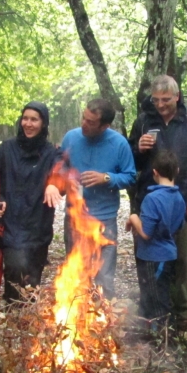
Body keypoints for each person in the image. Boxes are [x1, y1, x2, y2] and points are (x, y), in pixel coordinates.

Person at [128, 75, 187, 330]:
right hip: (151, 203)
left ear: (177, 96)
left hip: (183, 203)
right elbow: (132, 164)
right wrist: (138, 149)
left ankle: (184, 316)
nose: (161, 105)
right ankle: (151, 314)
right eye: (156, 100)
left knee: (183, 261)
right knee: (149, 258)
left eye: (166, 100)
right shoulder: (144, 120)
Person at [61, 99, 136, 299]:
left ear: (105, 126)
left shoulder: (119, 143)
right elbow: (60, 168)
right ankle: (77, 320)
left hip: (105, 219)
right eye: (83, 118)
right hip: (75, 217)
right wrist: (66, 180)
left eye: (91, 122)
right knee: (77, 272)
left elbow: (130, 176)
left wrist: (106, 178)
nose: (84, 124)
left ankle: (103, 320)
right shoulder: (71, 137)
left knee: (104, 276)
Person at [0, 102, 63, 302]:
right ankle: (11, 314)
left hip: (38, 223)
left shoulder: (51, 152)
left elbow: (63, 170)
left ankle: (29, 321)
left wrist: (53, 183)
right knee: (15, 269)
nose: (28, 124)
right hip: (11, 222)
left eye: (34, 119)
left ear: (43, 123)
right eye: (25, 118)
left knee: (33, 274)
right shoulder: (6, 149)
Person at [126, 151, 186, 333]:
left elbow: (145, 233)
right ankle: (148, 333)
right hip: (168, 252)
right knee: (153, 295)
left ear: (154, 173)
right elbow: (179, 225)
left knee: (157, 298)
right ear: (177, 170)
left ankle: (164, 339)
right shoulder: (179, 198)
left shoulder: (153, 199)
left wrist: (133, 217)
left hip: (154, 256)